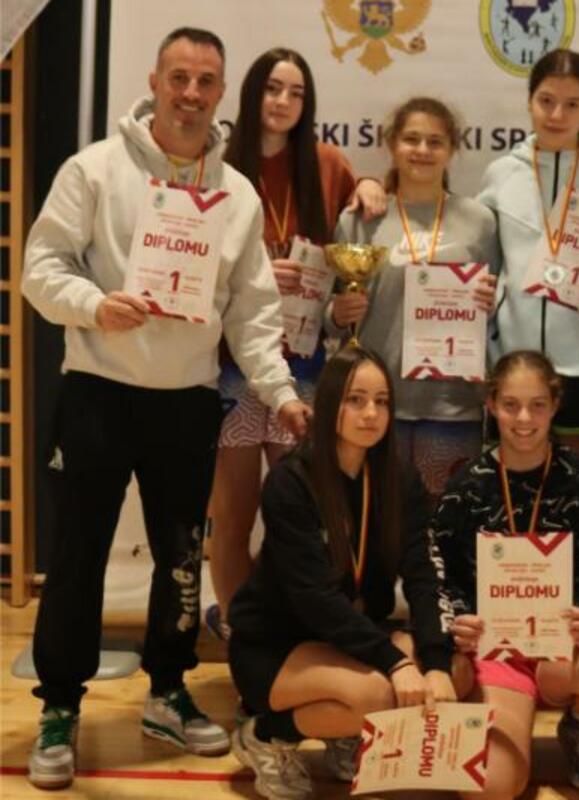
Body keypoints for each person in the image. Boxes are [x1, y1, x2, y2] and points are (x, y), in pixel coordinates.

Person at [21, 27, 307, 790]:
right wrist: (93, 304)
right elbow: (39, 269)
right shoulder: (94, 169)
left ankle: (168, 693)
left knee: (181, 560)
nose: (191, 94)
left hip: (186, 402)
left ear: (221, 94)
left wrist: (280, 392)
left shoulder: (236, 194)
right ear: (154, 81)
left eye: (206, 82)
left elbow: (253, 312)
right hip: (97, 393)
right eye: (179, 77)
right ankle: (60, 706)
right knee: (77, 556)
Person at [227, 347, 465, 800]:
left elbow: (423, 575)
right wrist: (396, 662)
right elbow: (313, 599)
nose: (370, 413)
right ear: (329, 404)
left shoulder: (399, 479)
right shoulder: (290, 482)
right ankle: (265, 734)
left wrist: (434, 663)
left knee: (455, 672)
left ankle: (342, 731)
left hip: (351, 636)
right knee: (380, 694)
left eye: (381, 401)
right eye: (355, 400)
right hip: (278, 644)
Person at [206, 47, 385, 642]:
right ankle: (239, 631)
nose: (283, 102)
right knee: (233, 516)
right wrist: (256, 270)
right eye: (272, 88)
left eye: (296, 92)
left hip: (304, 367)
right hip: (233, 365)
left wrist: (370, 184)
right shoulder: (219, 164)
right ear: (250, 92)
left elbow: (359, 222)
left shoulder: (327, 164)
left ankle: (287, 626)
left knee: (301, 513)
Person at [429, 350, 579, 796]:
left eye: (537, 405)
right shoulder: (466, 485)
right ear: (491, 404)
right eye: (511, 405)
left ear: (555, 406)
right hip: (497, 649)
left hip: (566, 645)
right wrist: (459, 617)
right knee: (490, 788)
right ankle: (501, 715)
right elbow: (443, 574)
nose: (523, 418)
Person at [478, 49, 579, 468]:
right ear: (529, 100)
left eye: (572, 104)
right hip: (515, 361)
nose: (556, 115)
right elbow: (485, 266)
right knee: (514, 491)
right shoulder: (501, 173)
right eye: (546, 100)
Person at [329, 96, 498, 495]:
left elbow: (495, 309)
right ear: (392, 145)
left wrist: (491, 302)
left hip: (452, 404)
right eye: (411, 139)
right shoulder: (360, 218)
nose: (422, 150)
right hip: (374, 403)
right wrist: (337, 313)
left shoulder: (479, 221)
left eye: (435, 142)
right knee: (374, 515)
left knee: (443, 519)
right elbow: (330, 314)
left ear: (452, 149)